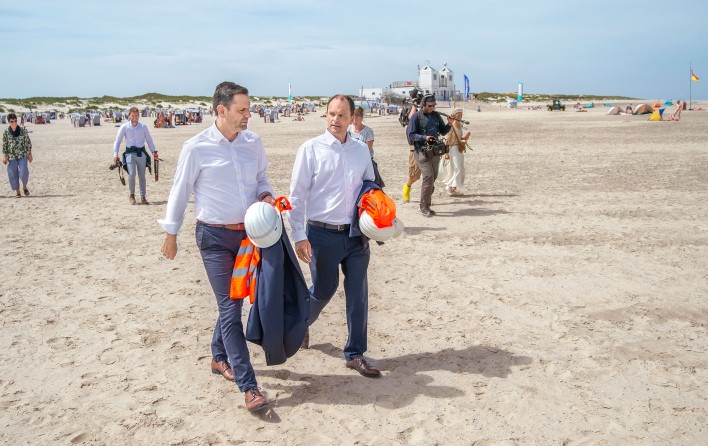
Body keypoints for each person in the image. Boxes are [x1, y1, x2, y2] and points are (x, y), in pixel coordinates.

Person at [159, 82, 275, 412]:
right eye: (242, 110)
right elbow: (179, 191)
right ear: (221, 111)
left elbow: (262, 179)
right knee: (230, 307)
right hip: (213, 238)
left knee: (233, 302)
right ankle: (249, 386)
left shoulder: (253, 142)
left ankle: (218, 356)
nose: (247, 115)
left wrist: (266, 196)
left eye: (248, 109)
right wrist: (171, 233)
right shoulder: (196, 147)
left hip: (249, 237)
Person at [288, 94, 381, 378]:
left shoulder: (360, 151)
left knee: (358, 294)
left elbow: (370, 187)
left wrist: (378, 215)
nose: (335, 120)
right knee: (322, 290)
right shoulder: (310, 149)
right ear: (325, 116)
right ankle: (300, 323)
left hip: (355, 235)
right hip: (321, 234)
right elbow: (297, 196)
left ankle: (355, 353)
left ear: (352, 118)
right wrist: (299, 236)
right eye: (331, 114)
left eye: (341, 115)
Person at [406, 94, 452, 217]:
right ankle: (424, 207)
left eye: (434, 105)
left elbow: (443, 131)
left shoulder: (436, 116)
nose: (432, 107)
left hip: (435, 152)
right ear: (424, 105)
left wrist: (449, 124)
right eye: (430, 105)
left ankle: (426, 202)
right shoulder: (416, 117)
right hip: (421, 152)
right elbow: (410, 135)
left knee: (433, 177)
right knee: (428, 176)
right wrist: (424, 137)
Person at [112, 107, 157, 205]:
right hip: (130, 153)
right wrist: (115, 154)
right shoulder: (124, 127)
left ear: (138, 116)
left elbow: (149, 140)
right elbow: (117, 141)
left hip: (141, 153)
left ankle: (143, 197)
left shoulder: (143, 127)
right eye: (133, 115)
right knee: (132, 174)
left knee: (142, 176)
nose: (135, 117)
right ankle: (132, 194)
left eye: (136, 115)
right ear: (129, 115)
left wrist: (154, 152)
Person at [438, 108, 471, 196]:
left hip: (458, 149)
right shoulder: (451, 126)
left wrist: (465, 138)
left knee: (459, 169)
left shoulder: (460, 125)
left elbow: (459, 138)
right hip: (451, 149)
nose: (460, 117)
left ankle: (453, 189)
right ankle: (450, 188)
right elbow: (447, 140)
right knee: (456, 169)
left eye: (461, 115)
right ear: (454, 115)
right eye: (458, 115)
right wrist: (446, 153)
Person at [2, 113, 32, 198]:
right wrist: (5, 156)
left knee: (24, 172)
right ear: (9, 122)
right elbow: (5, 145)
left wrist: (29, 153)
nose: (14, 123)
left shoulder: (23, 130)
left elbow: (28, 142)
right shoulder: (6, 132)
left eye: (15, 121)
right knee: (12, 174)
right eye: (12, 121)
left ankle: (24, 186)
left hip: (22, 155)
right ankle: (17, 191)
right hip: (11, 156)